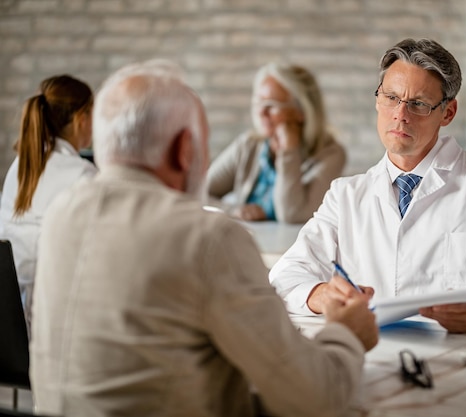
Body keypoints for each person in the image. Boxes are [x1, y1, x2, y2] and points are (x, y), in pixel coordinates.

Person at [29, 60, 378, 417]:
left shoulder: (61, 214)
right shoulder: (209, 240)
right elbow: (317, 398)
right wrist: (347, 335)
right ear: (185, 149)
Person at [269, 38, 466, 335]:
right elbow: (283, 277)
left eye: (418, 104)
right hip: (373, 361)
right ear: (377, 99)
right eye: (391, 97)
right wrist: (321, 295)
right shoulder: (346, 196)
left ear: (448, 112)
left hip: (464, 365)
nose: (400, 114)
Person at [0, 74, 97, 329]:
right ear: (81, 119)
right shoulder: (81, 174)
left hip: (11, 319)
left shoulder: (20, 165)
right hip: (49, 320)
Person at [204, 62, 346, 224]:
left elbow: (292, 215)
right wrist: (233, 210)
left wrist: (289, 151)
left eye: (271, 105)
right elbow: (196, 193)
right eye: (258, 103)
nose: (261, 113)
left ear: (301, 112)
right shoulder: (247, 146)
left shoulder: (330, 154)